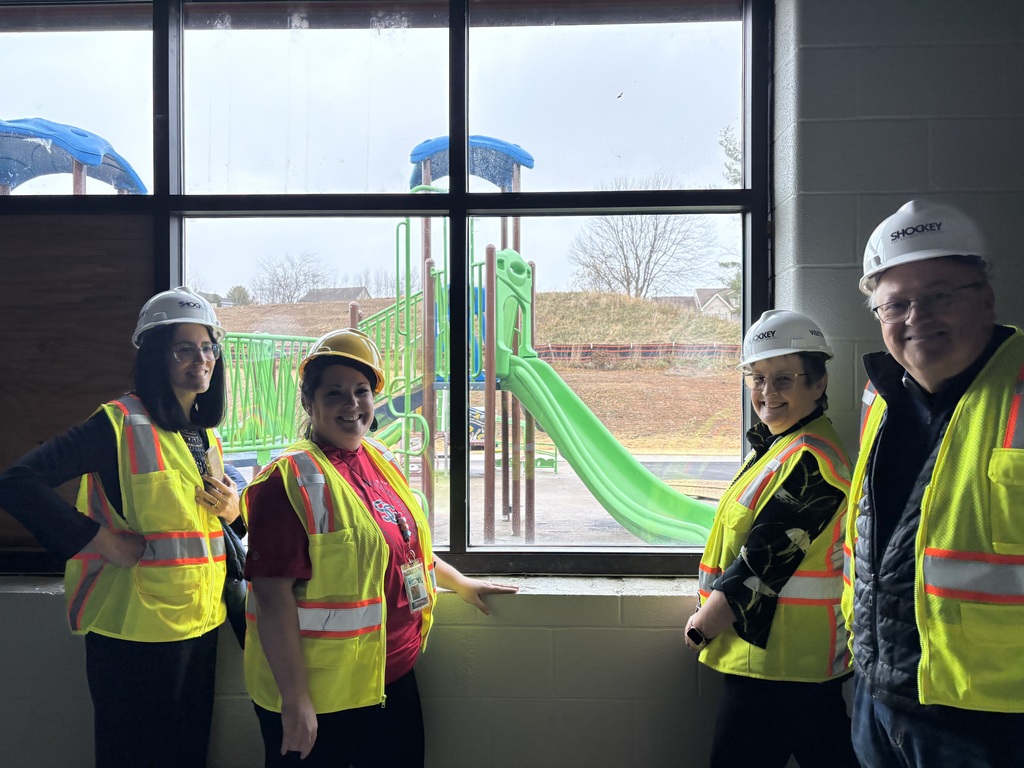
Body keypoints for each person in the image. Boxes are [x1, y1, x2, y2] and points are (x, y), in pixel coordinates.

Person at [241, 328, 518, 768]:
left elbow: (403, 548)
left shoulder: (380, 459)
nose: (352, 405)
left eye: (361, 391)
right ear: (308, 403)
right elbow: (272, 600)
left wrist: (459, 582)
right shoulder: (286, 483)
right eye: (335, 393)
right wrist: (295, 702)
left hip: (392, 676)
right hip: (323, 696)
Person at [0, 286, 243, 768]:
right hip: (134, 636)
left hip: (198, 626)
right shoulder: (116, 423)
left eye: (207, 346)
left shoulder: (202, 431)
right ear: (156, 356)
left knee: (187, 755)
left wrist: (234, 509)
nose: (202, 359)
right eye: (184, 348)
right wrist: (98, 541)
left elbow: (213, 519)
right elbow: (17, 483)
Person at [843, 199, 1024, 767]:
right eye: (894, 304)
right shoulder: (883, 396)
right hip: (881, 700)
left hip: (993, 723)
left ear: (986, 299)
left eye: (941, 295)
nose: (916, 317)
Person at [684, 309, 857, 768]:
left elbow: (760, 564)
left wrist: (701, 627)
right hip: (782, 662)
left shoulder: (810, 462)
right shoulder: (778, 447)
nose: (766, 392)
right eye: (756, 378)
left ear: (818, 384)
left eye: (784, 379)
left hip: (778, 667)